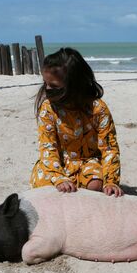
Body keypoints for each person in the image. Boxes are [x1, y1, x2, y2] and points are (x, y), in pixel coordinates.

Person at [30, 47, 123, 197]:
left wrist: (111, 181)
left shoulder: (98, 109)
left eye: (53, 86)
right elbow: (48, 147)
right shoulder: (48, 109)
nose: (47, 89)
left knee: (96, 185)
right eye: (45, 83)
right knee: (45, 188)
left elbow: (109, 148)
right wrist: (58, 177)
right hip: (57, 162)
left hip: (88, 161)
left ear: (75, 85)